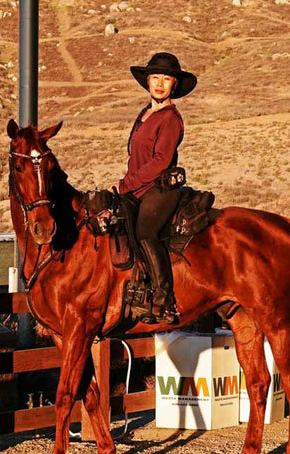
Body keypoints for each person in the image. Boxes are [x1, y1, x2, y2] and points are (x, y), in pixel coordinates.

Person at [119, 52, 197, 324]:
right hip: (137, 186)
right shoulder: (145, 114)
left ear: (174, 84)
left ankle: (164, 300)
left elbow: (160, 161)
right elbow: (135, 157)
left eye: (166, 78)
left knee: (145, 230)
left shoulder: (171, 119)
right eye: (155, 78)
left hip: (160, 188)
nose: (160, 84)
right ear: (148, 82)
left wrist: (126, 184)